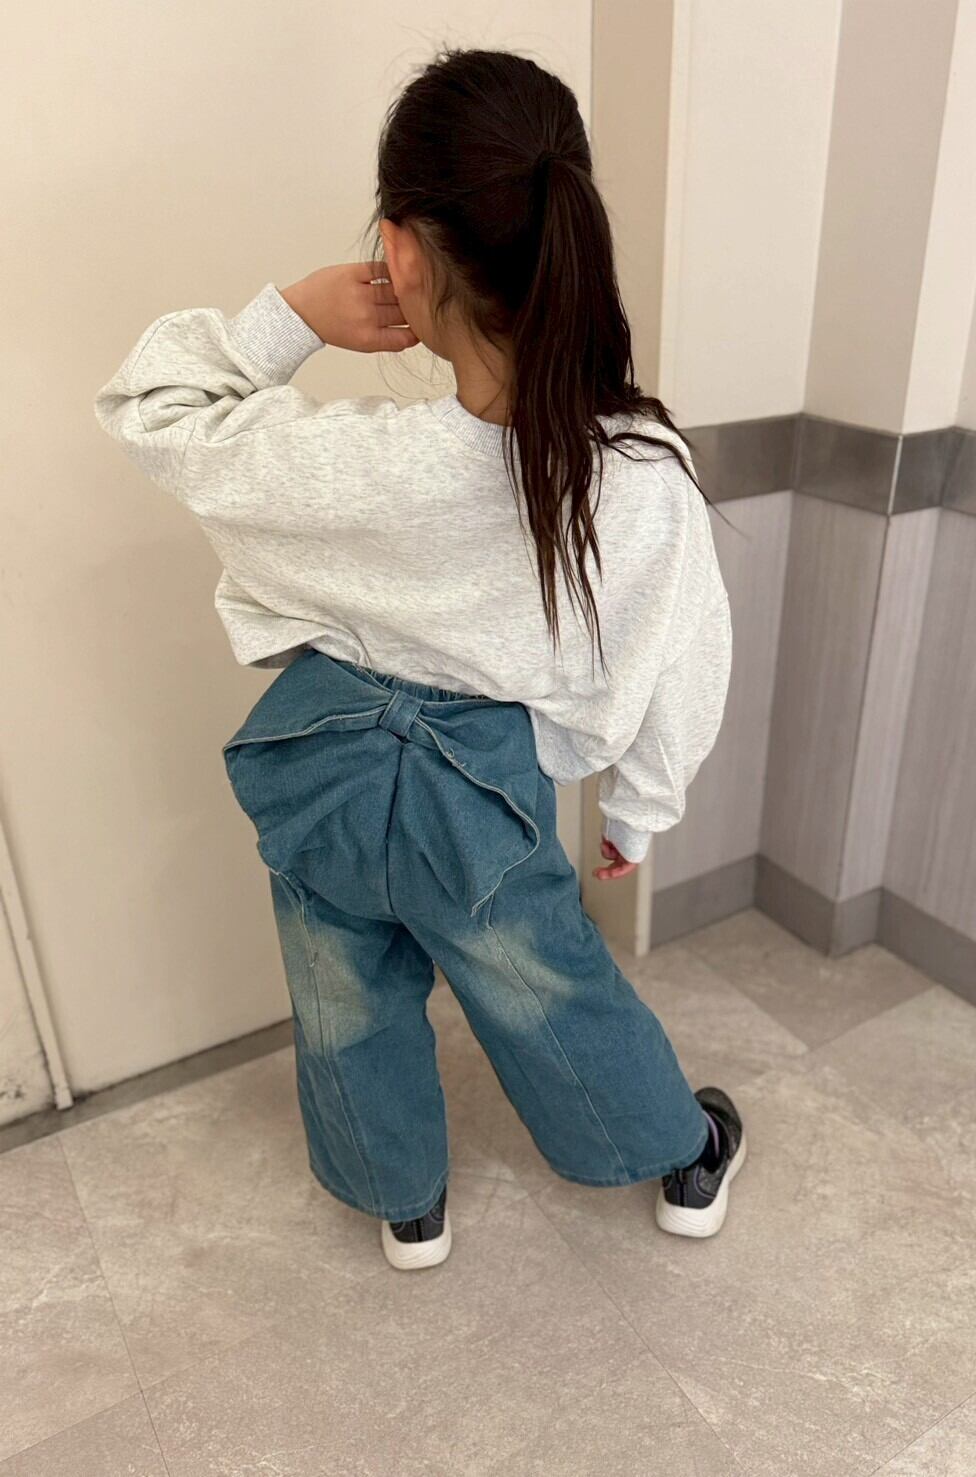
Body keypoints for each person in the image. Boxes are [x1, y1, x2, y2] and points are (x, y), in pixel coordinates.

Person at [93, 46, 745, 1271]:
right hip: (478, 799)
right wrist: (639, 809)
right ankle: (677, 1152)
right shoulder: (638, 476)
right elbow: (683, 658)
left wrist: (292, 315)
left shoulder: (342, 462)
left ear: (398, 253)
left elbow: (152, 403)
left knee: (340, 987)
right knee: (549, 989)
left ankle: (404, 1203)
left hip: (320, 764)